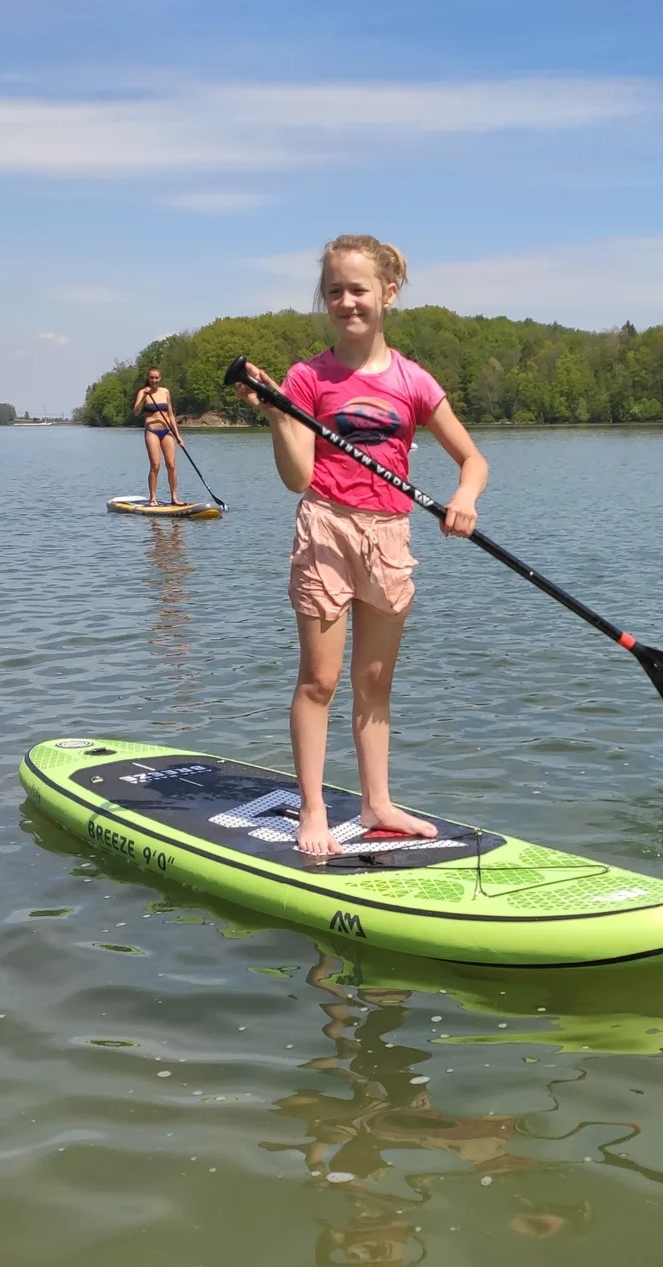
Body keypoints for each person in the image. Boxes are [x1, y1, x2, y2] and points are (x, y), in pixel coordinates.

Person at [234, 235, 488, 857]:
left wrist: (464, 499)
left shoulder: (413, 381)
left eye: (359, 290)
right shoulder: (305, 378)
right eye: (335, 292)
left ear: (388, 294)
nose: (347, 302)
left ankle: (378, 803)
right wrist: (276, 414)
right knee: (319, 679)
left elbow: (473, 459)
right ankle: (314, 810)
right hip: (325, 528)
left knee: (374, 681)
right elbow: (297, 477)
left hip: (389, 536)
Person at [132, 367, 185, 506]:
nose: (154, 381)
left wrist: (178, 435)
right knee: (155, 465)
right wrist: (144, 397)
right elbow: (136, 412)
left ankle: (174, 497)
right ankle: (153, 498)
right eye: (151, 378)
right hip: (152, 431)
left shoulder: (165, 392)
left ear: (160, 378)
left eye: (156, 378)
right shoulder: (143, 392)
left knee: (171, 465)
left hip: (166, 431)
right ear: (148, 378)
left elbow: (171, 415)